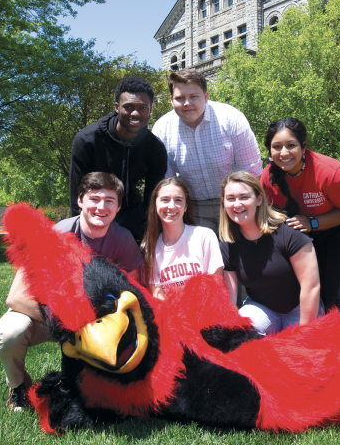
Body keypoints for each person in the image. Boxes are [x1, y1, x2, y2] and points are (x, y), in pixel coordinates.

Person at [0, 172, 143, 411]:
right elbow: (15, 298)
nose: (101, 207)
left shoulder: (123, 239)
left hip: (96, 323)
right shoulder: (55, 234)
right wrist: (69, 324)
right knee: (11, 333)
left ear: (118, 207)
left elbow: (136, 294)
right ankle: (18, 386)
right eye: (94, 199)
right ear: (80, 201)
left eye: (109, 200)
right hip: (48, 318)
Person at [260, 118, 340, 343]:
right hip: (310, 230)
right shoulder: (268, 177)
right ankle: (322, 353)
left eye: (291, 145)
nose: (284, 152)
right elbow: (271, 213)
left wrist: (313, 223)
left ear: (303, 146)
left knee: (337, 297)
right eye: (277, 147)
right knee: (314, 293)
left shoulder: (329, 171)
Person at [152, 69, 262, 233]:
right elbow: (167, 182)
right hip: (193, 207)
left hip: (234, 202)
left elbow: (251, 170)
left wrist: (245, 205)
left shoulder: (232, 119)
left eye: (194, 96)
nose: (187, 103)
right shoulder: (161, 129)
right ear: (171, 100)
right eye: (180, 98)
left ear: (206, 96)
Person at [219, 171, 323, 335]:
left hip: (300, 308)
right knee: (242, 340)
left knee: (299, 355)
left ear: (259, 199)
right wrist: (229, 334)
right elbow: (229, 298)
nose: (237, 204)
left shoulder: (289, 232)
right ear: (223, 202)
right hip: (261, 308)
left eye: (244, 197)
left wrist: (305, 335)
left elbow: (311, 286)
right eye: (231, 198)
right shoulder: (228, 243)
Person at [69, 76, 168, 242]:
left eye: (143, 107)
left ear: (150, 109)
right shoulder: (87, 140)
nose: (135, 113)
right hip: (96, 214)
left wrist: (149, 235)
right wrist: (80, 235)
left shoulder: (154, 148)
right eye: (128, 107)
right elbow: (77, 193)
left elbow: (152, 198)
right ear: (116, 107)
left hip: (132, 220)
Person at [141, 178, 223, 299]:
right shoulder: (147, 247)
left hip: (206, 311)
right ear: (155, 204)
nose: (172, 206)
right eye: (165, 200)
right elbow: (157, 296)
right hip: (171, 315)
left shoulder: (205, 236)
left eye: (178, 200)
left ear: (186, 206)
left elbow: (216, 286)